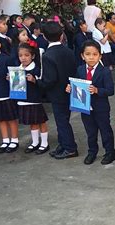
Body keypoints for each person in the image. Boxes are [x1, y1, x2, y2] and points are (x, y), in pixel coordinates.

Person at [66, 40, 115, 165]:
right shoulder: (80, 70)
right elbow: (77, 85)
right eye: (88, 54)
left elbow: (110, 90)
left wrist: (97, 90)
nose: (91, 57)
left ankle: (110, 152)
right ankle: (92, 152)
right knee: (90, 131)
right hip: (85, 107)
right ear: (82, 56)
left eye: (95, 54)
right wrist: (71, 88)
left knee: (105, 130)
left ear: (100, 55)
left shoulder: (105, 71)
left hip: (101, 107)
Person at [36, 22, 78, 159]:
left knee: (62, 121)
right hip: (69, 90)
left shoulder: (48, 55)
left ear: (44, 37)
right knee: (63, 119)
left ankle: (70, 148)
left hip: (57, 94)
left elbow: (50, 80)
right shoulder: (69, 51)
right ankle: (63, 144)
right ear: (61, 36)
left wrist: (37, 82)